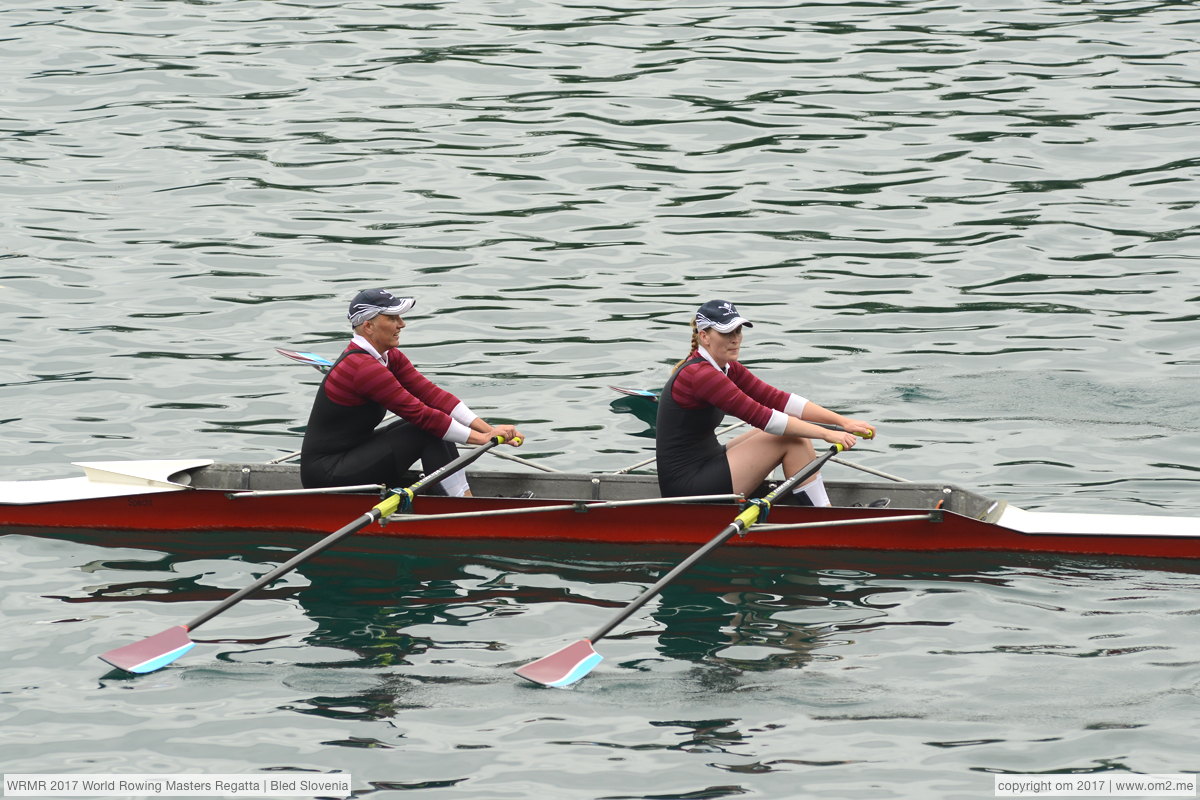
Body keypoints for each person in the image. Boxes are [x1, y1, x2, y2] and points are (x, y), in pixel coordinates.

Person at [300, 288, 523, 495]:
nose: (402, 324)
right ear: (368, 326)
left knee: (430, 425)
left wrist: (489, 430)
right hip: (326, 475)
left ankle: (459, 499)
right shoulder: (363, 368)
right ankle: (463, 504)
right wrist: (482, 438)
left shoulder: (388, 357)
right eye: (393, 318)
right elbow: (421, 414)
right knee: (426, 428)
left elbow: (433, 396)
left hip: (353, 456)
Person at [655, 300, 876, 506]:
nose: (736, 338)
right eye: (726, 332)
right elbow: (764, 418)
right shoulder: (701, 375)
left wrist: (843, 422)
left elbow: (778, 399)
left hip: (707, 463)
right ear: (704, 337)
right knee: (790, 438)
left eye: (738, 330)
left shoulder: (726, 367)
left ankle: (819, 510)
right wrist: (827, 434)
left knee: (794, 427)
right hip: (686, 489)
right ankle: (824, 517)